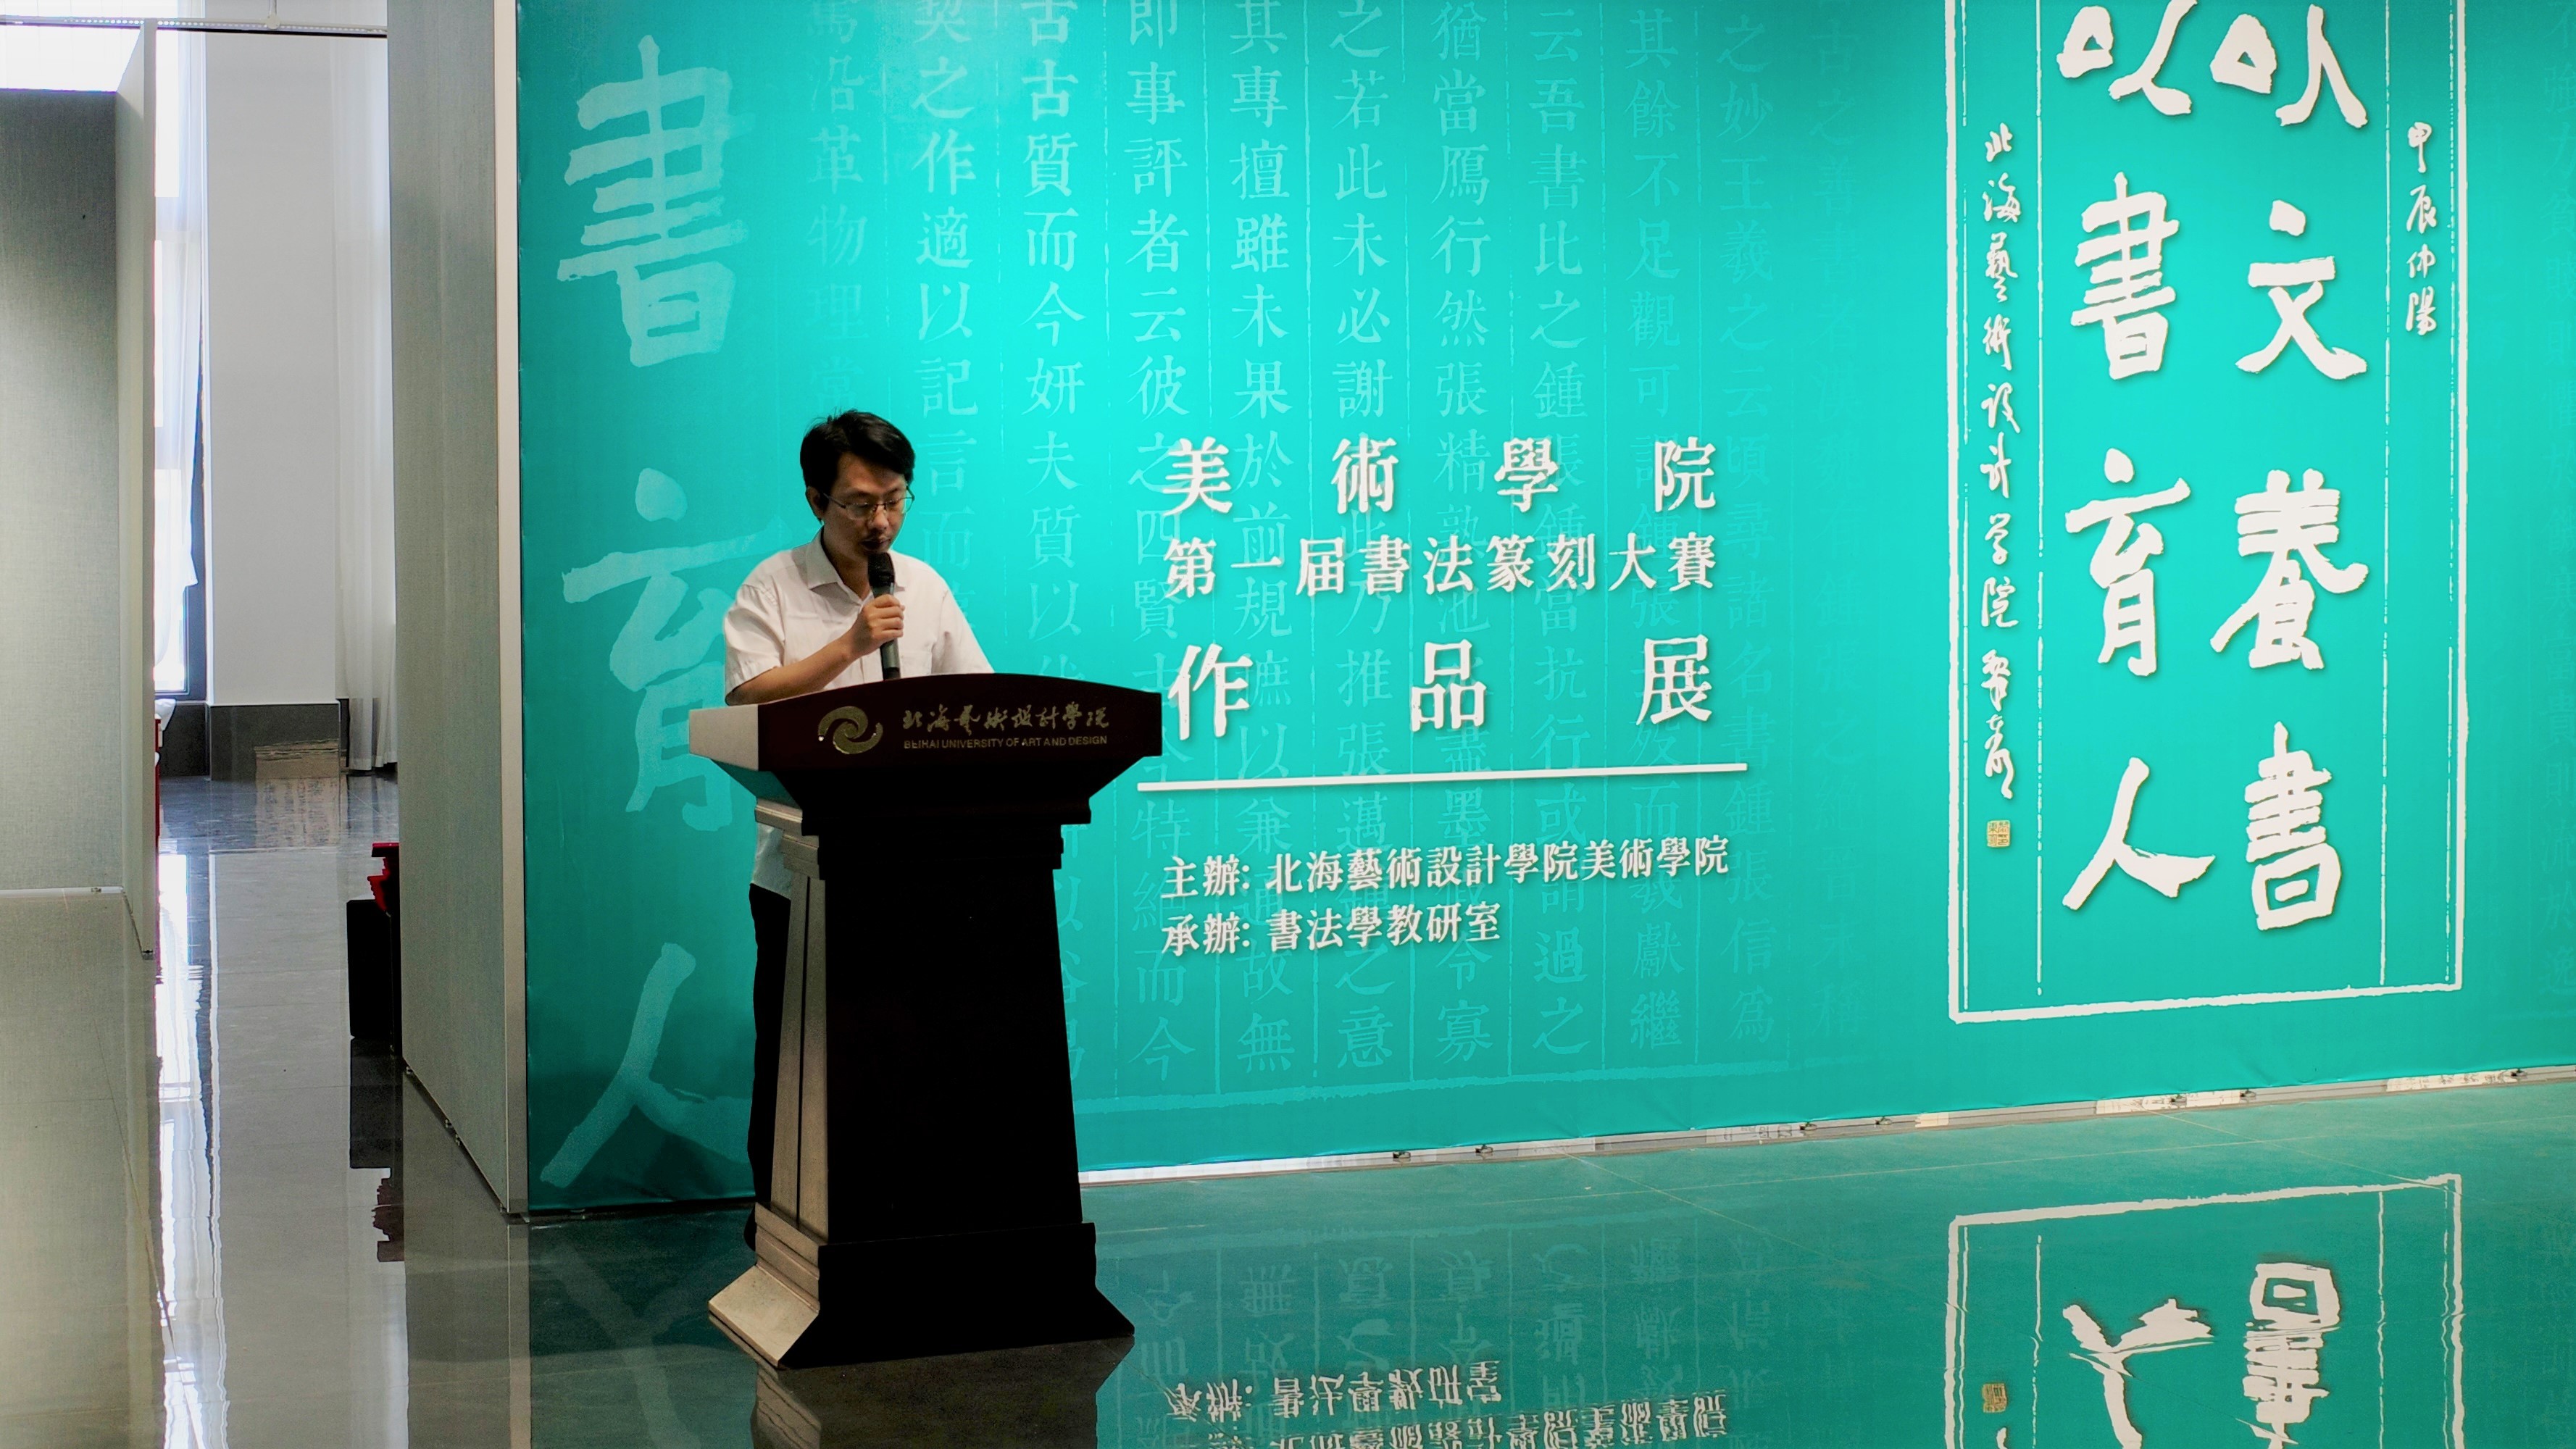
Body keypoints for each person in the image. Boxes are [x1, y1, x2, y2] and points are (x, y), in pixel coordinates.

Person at [720, 411, 989, 1241]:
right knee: (797, 1053)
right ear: (816, 499)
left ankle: (900, 1219)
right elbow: (745, 698)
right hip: (802, 868)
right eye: (860, 503)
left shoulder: (925, 586)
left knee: (906, 1048)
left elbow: (975, 701)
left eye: (895, 499)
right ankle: (781, 1223)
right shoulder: (773, 586)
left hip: (914, 867)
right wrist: (847, 646)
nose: (880, 521)